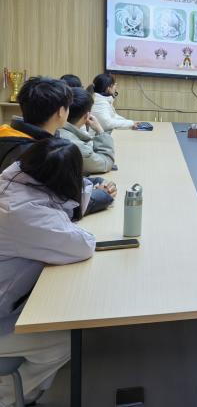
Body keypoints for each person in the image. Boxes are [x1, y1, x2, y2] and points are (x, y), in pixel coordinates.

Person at [0, 139, 96, 406]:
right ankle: (10, 396)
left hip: (10, 297)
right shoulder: (22, 213)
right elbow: (82, 245)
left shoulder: (11, 181)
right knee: (66, 338)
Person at [0, 77, 116, 215]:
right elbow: (64, 205)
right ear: (61, 112)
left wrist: (94, 181)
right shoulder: (40, 152)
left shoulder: (12, 135)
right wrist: (103, 195)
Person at [58, 87, 116, 174]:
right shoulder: (76, 147)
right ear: (87, 115)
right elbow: (105, 163)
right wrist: (100, 131)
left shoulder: (55, 129)